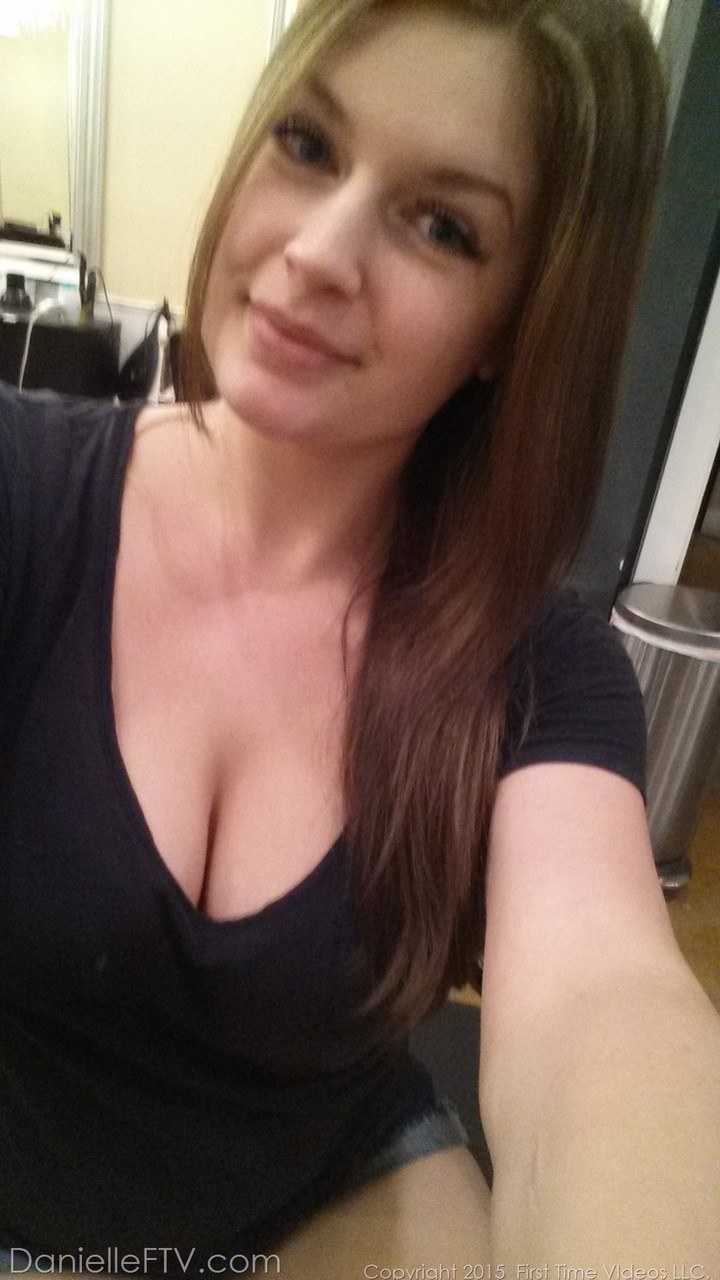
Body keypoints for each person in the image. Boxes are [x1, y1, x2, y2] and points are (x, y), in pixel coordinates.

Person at [0, 0, 718, 1274]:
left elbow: (601, 1002)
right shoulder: (24, 491)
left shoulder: (534, 663)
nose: (320, 252)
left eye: (442, 226)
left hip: (324, 1181)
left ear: (516, 323)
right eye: (308, 145)